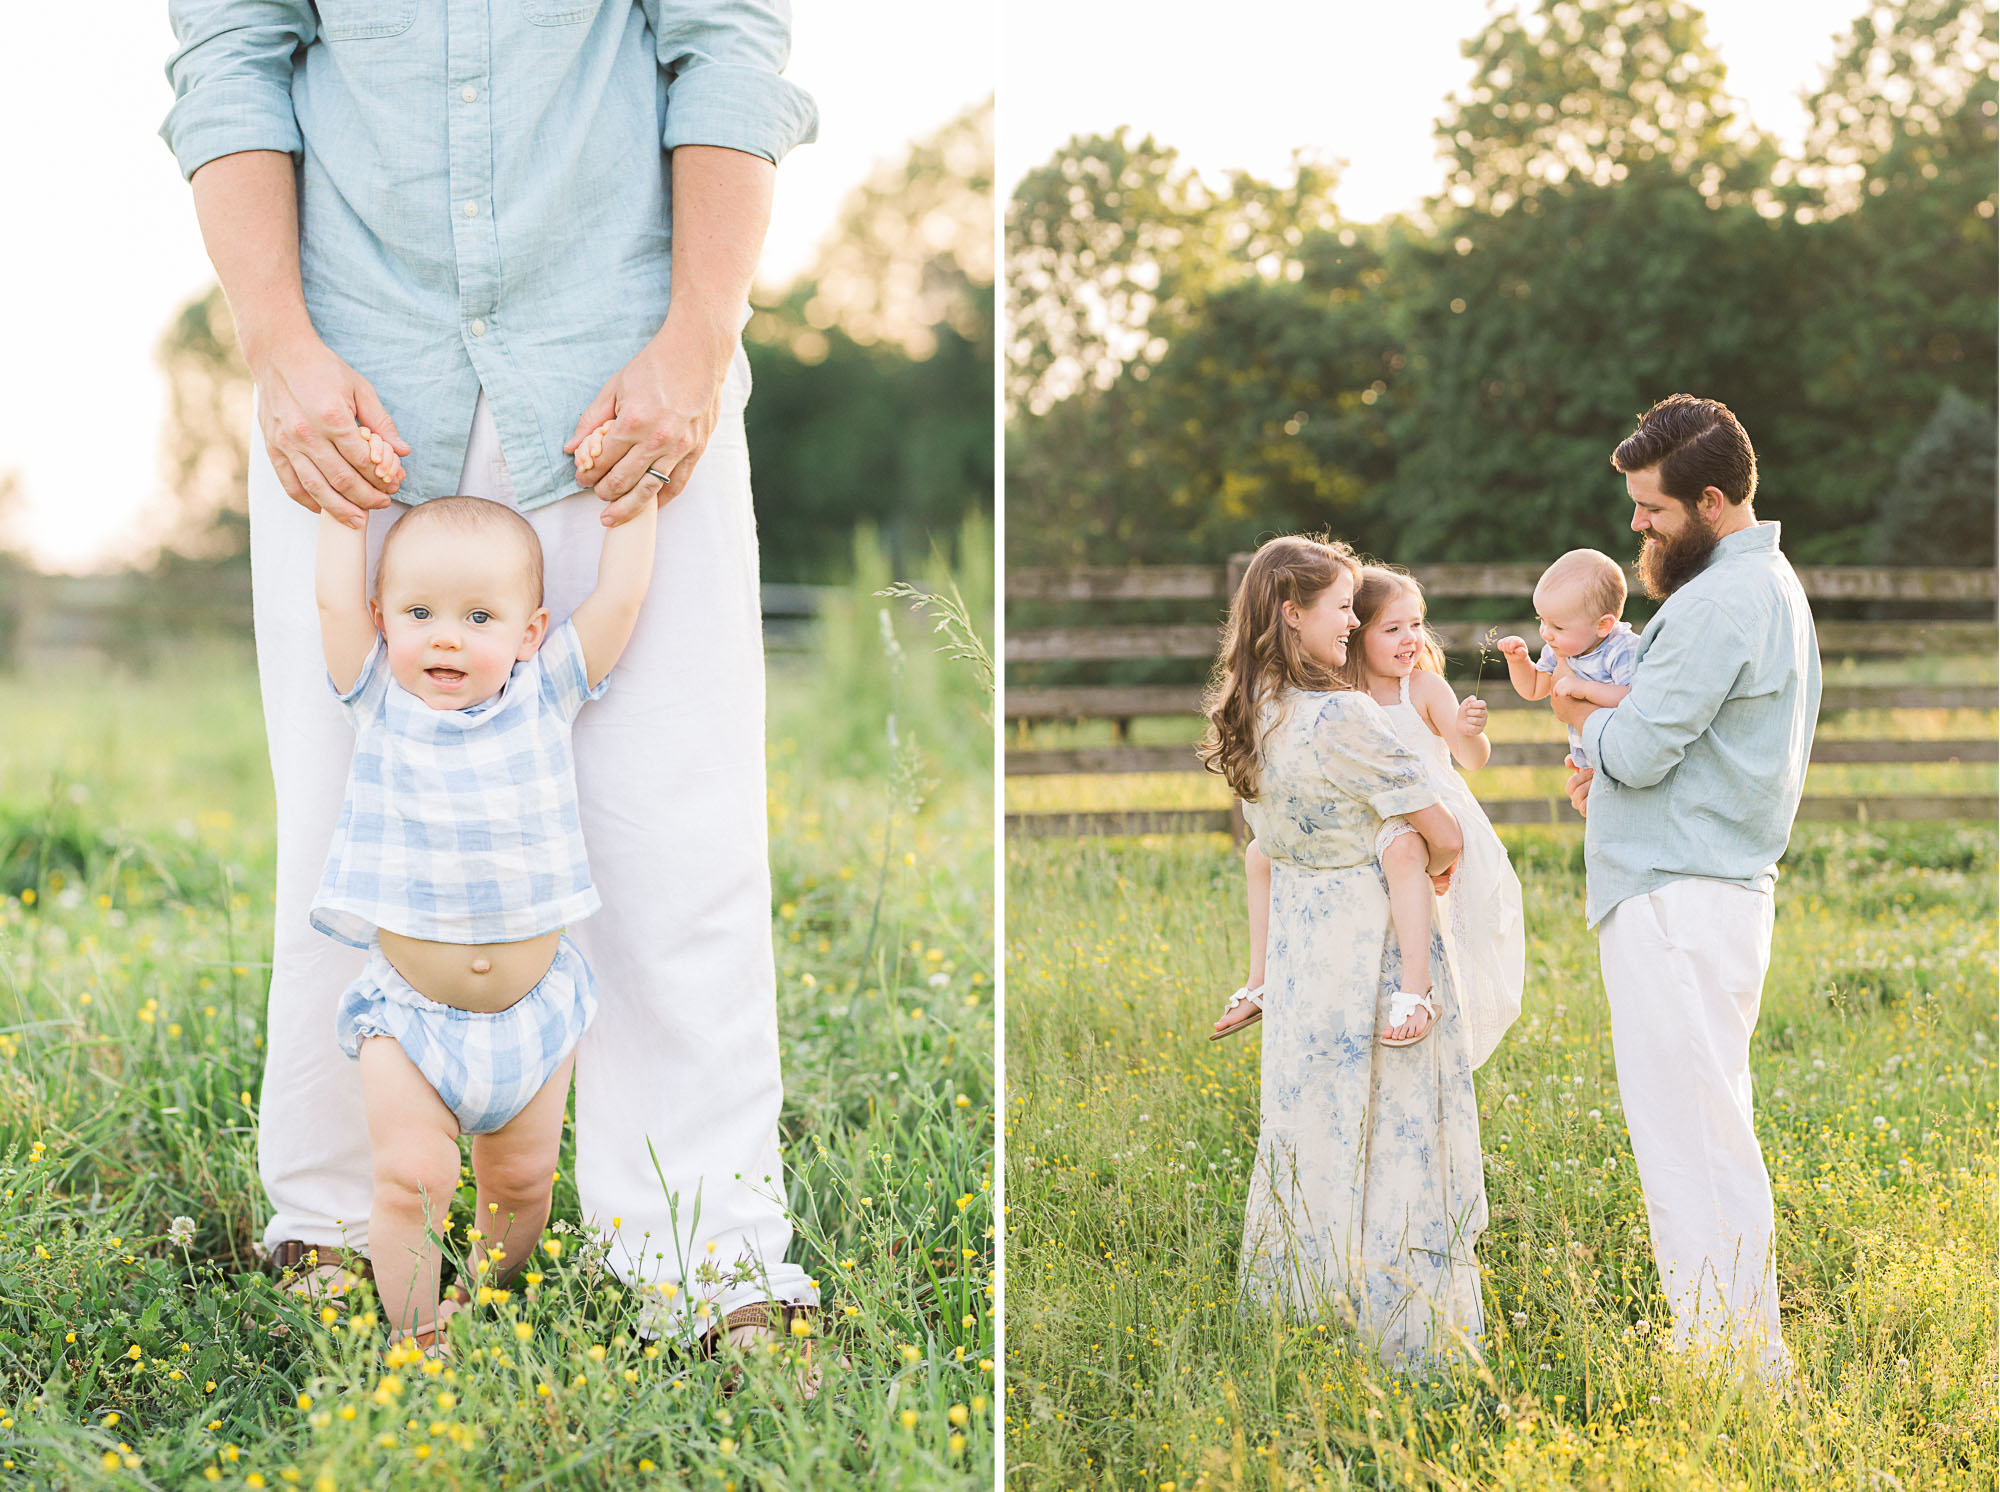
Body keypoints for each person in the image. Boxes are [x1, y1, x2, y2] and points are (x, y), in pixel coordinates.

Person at [161, 3, 822, 1355]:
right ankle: (340, 1225)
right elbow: (230, 55)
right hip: (352, 377)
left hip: (626, 371)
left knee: (674, 827)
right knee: (349, 819)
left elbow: (730, 43)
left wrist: (699, 341)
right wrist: (278, 349)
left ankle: (705, 1253)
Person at [315, 468, 655, 1352]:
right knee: (410, 1177)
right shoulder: (379, 700)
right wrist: (341, 514)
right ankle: (418, 1335)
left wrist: (638, 509)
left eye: (478, 618)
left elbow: (617, 603)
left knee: (524, 1184)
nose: (446, 639)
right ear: (385, 621)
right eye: (419, 613)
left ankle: (482, 1295)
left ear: (530, 632)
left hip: (534, 1015)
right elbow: (331, 607)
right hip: (410, 1015)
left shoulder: (545, 694)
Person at [1551, 394, 1819, 1382]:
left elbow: (1642, 742)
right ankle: (1725, 1343)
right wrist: (1606, 743)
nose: (1635, 527)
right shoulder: (1761, 586)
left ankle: (1730, 1359)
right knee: (1703, 1120)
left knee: (1688, 1135)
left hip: (1676, 894)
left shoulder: (1713, 603)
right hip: (1701, 885)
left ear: (1709, 500)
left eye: (1651, 510)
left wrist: (1585, 726)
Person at [1199, 535, 1486, 1367]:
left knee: (1311, 1131)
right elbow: (1440, 828)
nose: (1353, 621)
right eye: (1341, 608)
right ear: (1293, 614)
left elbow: (1268, 846)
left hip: (1300, 953)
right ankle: (1407, 1341)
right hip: (1378, 952)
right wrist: (1422, 852)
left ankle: (1304, 1325)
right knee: (1398, 1134)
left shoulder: (1251, 714)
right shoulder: (1344, 716)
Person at [1213, 566, 1524, 1068]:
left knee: (1407, 856)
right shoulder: (1341, 693)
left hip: (1430, 815)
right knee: (1257, 854)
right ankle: (1260, 980)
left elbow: (1472, 760)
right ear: (1358, 632)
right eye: (1392, 628)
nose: (1410, 639)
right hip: (1381, 815)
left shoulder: (1423, 687)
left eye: (1417, 625)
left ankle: (1417, 987)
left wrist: (1469, 731)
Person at [1495, 548, 1642, 775]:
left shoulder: (1622, 649)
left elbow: (1630, 697)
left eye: (1558, 626)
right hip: (1590, 764)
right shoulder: (1560, 649)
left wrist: (1584, 689)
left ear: (1603, 625)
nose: (1545, 632)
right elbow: (1534, 689)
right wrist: (1519, 662)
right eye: (1541, 620)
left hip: (1622, 762)